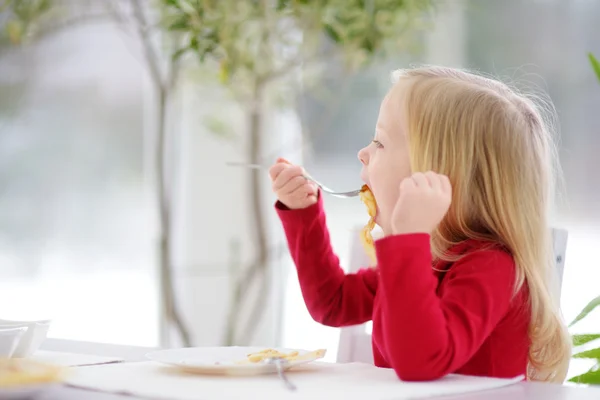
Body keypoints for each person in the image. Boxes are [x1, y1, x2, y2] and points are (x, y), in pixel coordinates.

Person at [268, 66, 571, 382]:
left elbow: (421, 362)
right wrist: (303, 213)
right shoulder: (429, 259)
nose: (363, 153)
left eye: (380, 143)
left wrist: (406, 240)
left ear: (436, 173)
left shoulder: (490, 267)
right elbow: (332, 302)